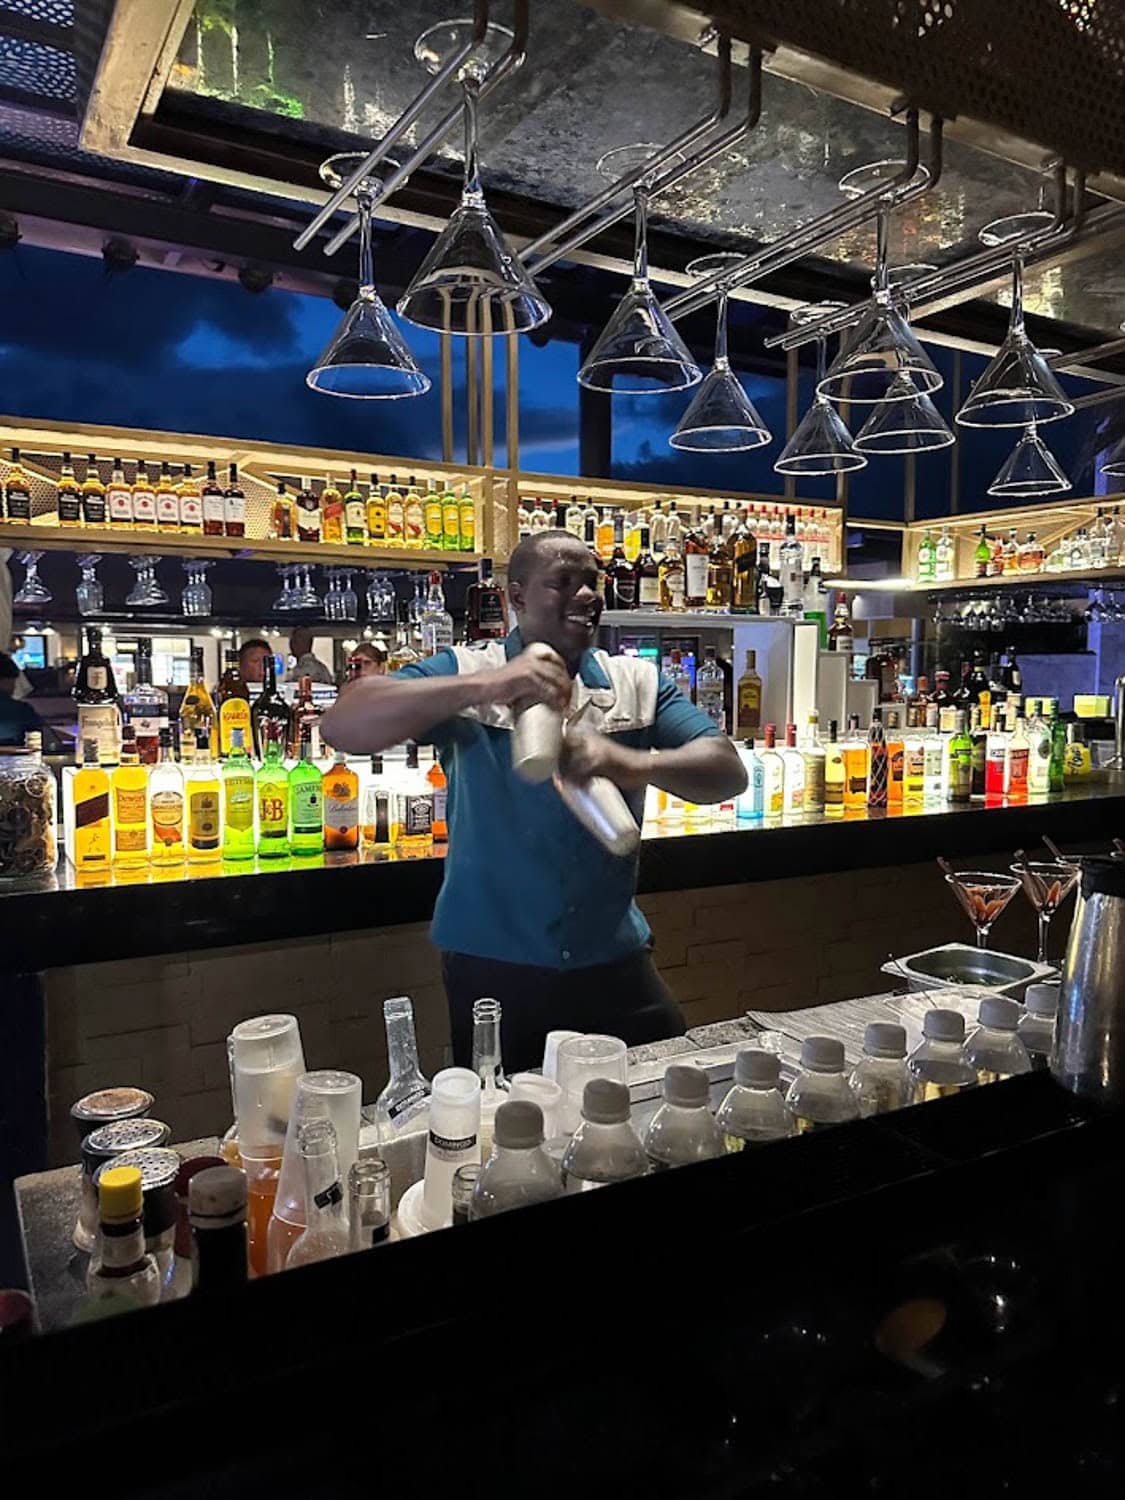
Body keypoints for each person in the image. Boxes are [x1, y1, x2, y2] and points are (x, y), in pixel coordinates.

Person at [321, 530, 746, 1072]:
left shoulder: (634, 682)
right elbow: (345, 723)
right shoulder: (466, 671)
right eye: (563, 582)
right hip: (494, 966)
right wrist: (491, 684)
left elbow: (727, 771)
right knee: (511, 1114)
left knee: (661, 1087)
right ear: (516, 597)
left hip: (612, 956)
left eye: (591, 582)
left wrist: (628, 762)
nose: (586, 595)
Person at [0, 651, 44, 747]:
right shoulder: (21, 710)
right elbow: (44, 737)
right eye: (14, 681)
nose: (15, 687)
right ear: (6, 680)